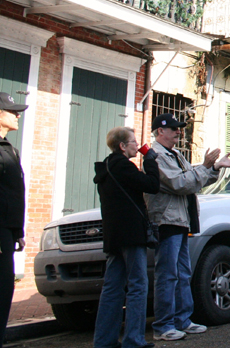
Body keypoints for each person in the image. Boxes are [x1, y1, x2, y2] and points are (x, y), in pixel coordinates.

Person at [146, 114, 230, 341]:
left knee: (182, 273)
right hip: (166, 221)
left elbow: (195, 180)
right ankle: (163, 325)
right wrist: (206, 166)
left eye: (179, 128)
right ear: (160, 132)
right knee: (167, 275)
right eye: (174, 129)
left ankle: (182, 320)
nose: (179, 132)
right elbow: (181, 183)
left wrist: (214, 167)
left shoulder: (175, 155)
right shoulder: (155, 156)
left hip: (180, 220)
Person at [93, 127, 160, 348]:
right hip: (132, 234)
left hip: (114, 236)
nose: (136, 145)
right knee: (138, 285)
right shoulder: (123, 166)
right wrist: (149, 160)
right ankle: (134, 340)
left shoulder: (105, 169)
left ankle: (104, 341)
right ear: (122, 146)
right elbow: (152, 185)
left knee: (112, 288)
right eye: (133, 142)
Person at [0, 93, 26, 348]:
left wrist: (17, 230)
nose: (17, 115)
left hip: (7, 231)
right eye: (12, 111)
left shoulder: (9, 148)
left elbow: (14, 192)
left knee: (5, 288)